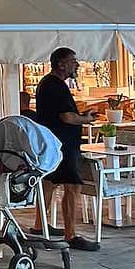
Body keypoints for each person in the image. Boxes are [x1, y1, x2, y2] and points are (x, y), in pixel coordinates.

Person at [32, 47, 100, 251]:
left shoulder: (47, 83)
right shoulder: (56, 86)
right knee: (72, 186)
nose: (76, 65)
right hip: (63, 145)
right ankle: (71, 235)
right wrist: (86, 119)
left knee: (49, 182)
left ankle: (39, 225)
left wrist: (80, 116)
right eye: (72, 61)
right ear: (60, 64)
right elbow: (66, 117)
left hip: (51, 143)